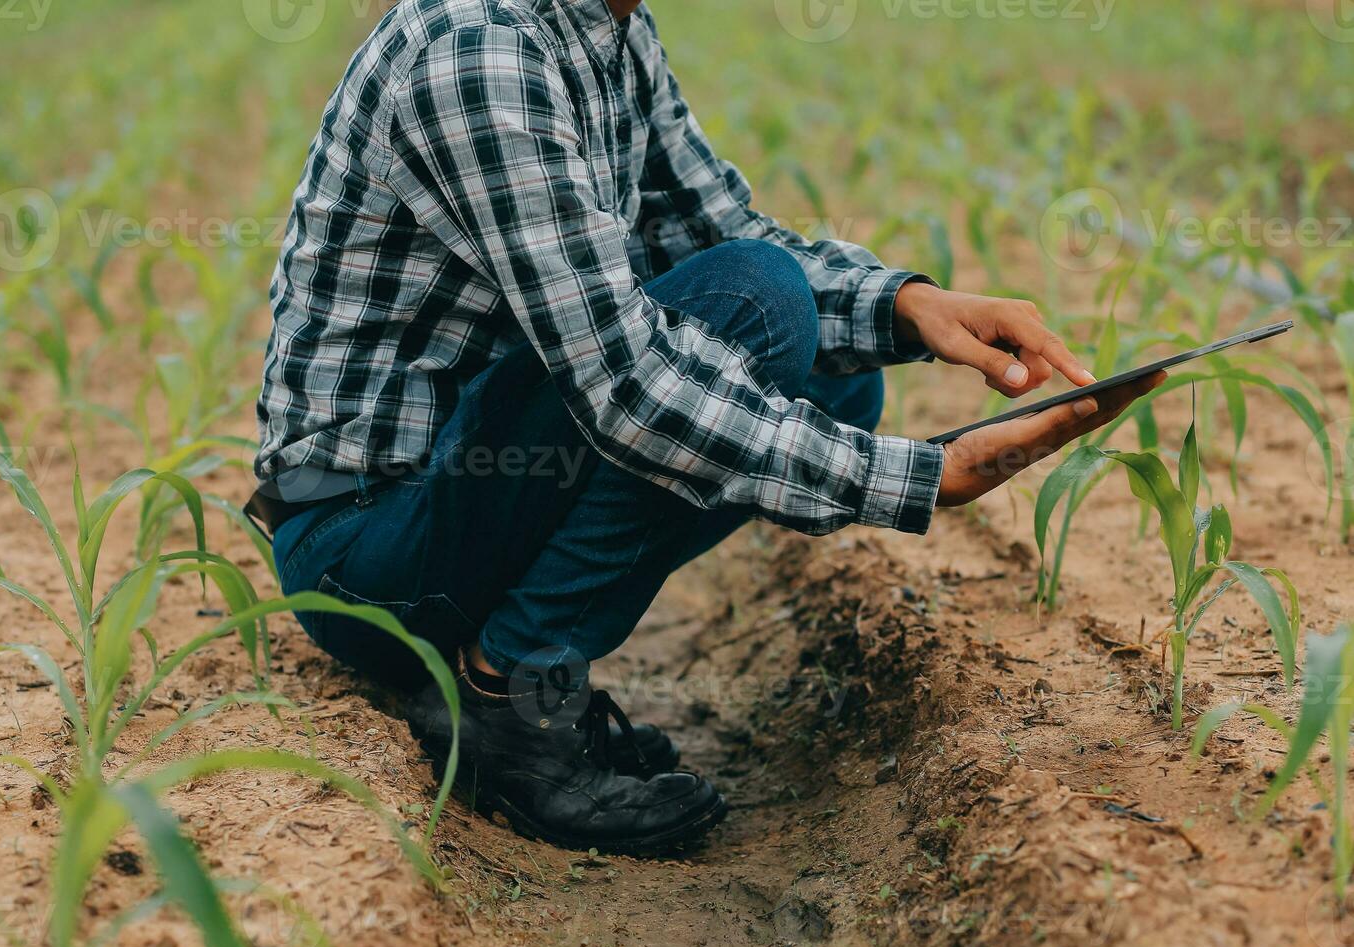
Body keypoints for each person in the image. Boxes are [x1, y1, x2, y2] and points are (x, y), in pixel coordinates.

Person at [250, 0, 1163, 856]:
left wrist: (911, 307)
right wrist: (920, 479)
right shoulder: (478, 52)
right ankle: (508, 697)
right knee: (758, 304)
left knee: (824, 376)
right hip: (365, 554)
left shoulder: (610, 29)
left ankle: (520, 654)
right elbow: (631, 387)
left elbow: (716, 231)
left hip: (459, 503)